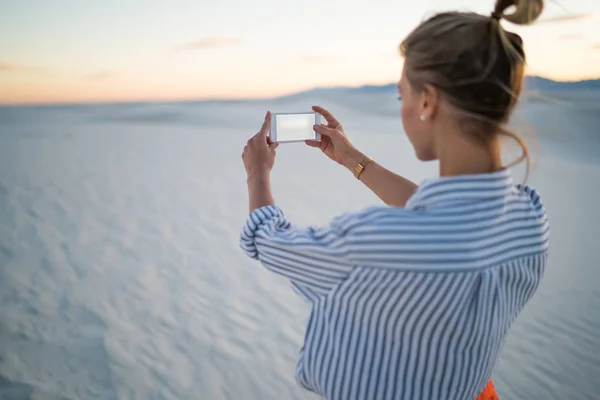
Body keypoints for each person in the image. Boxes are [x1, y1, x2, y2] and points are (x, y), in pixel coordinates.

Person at [239, 0, 549, 398]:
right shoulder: (528, 216)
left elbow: (269, 241)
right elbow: (447, 221)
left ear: (427, 102)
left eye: (402, 94)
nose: (401, 107)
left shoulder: (377, 240)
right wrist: (353, 160)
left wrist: (257, 172)